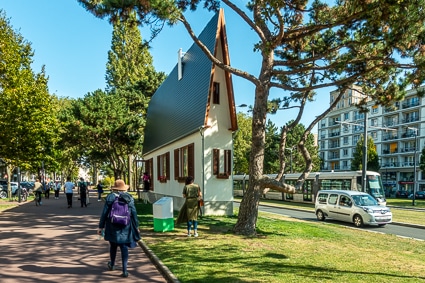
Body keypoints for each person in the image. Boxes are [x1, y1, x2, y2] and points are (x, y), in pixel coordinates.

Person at [97, 179, 141, 278]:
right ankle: (125, 270)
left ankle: (112, 264)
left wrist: (101, 226)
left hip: (112, 225)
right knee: (124, 247)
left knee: (113, 246)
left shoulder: (110, 197)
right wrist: (136, 226)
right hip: (126, 225)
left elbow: (105, 213)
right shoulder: (129, 198)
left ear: (115, 188)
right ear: (124, 188)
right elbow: (134, 213)